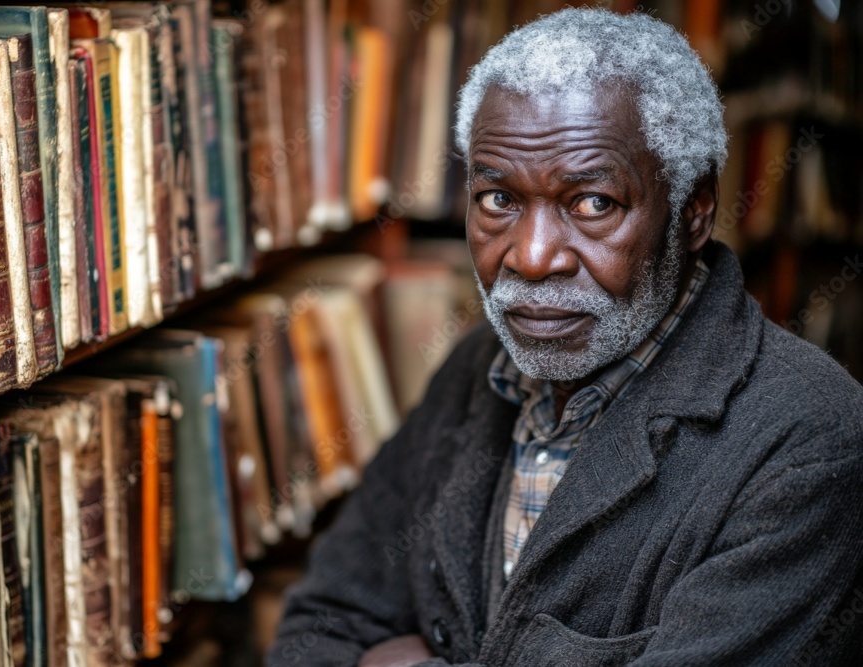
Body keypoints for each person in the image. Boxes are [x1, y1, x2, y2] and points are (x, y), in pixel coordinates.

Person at [267, 8, 863, 666]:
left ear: (694, 210)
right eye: (498, 199)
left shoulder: (811, 441)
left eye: (591, 203)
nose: (531, 256)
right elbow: (318, 625)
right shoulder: (477, 369)